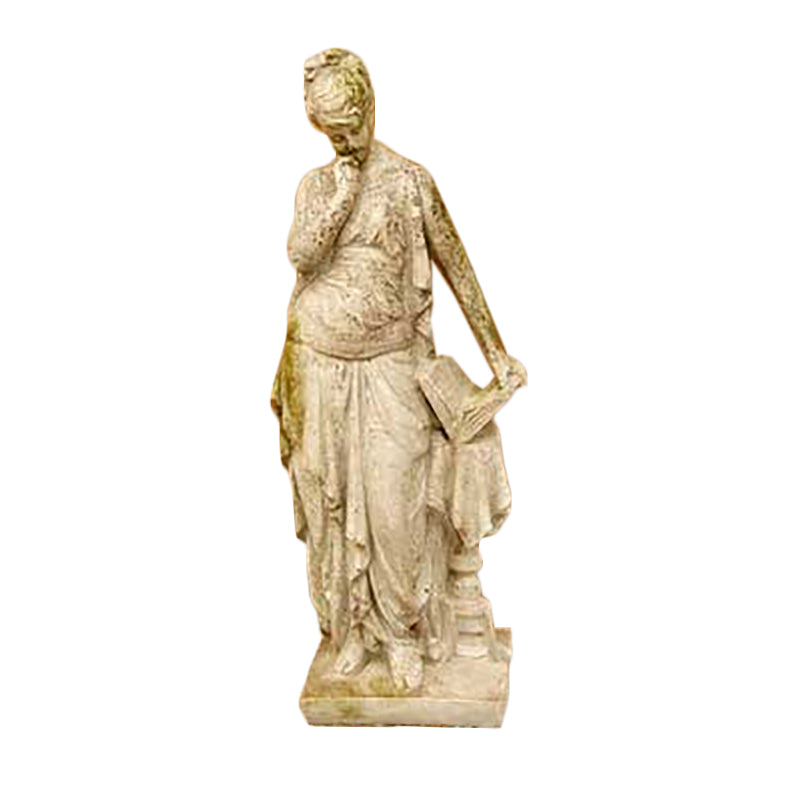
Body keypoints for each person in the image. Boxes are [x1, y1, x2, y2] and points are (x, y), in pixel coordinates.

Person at [272, 48, 526, 691]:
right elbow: (302, 255)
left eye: (351, 125)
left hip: (390, 364)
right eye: (331, 132)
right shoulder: (316, 185)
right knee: (331, 506)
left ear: (370, 105)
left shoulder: (410, 181)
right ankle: (353, 634)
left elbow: (456, 264)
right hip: (318, 364)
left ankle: (402, 632)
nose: (346, 140)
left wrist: (496, 353)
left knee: (396, 505)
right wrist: (341, 193)